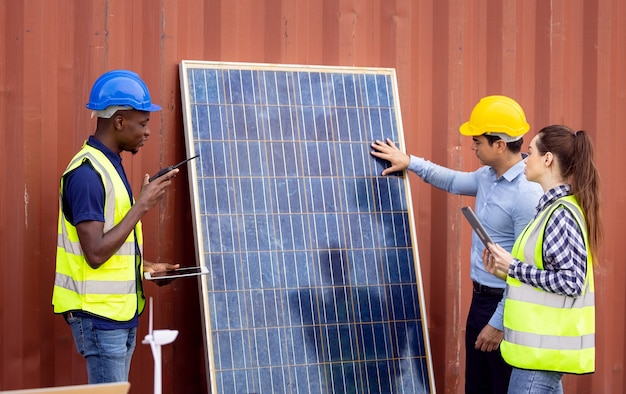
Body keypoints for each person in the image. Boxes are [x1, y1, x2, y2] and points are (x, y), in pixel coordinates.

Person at [371, 95, 543, 394]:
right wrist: (409, 162)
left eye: (478, 141)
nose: (473, 146)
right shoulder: (489, 176)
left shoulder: (526, 195)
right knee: (477, 386)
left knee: (502, 386)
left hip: (507, 306)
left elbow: (527, 270)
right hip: (481, 301)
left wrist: (499, 323)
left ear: (500, 144)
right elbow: (452, 180)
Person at [52, 69, 180, 384]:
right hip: (99, 318)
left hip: (118, 314)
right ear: (119, 121)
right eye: (143, 123)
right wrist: (143, 205)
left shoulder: (110, 165)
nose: (148, 132)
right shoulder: (86, 174)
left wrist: (145, 267)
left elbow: (112, 246)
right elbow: (95, 253)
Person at [483, 125, 601, 393]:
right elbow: (544, 275)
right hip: (539, 351)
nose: (526, 158)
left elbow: (571, 281)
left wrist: (514, 267)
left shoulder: (560, 213)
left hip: (542, 354)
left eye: (530, 152)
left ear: (547, 159)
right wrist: (505, 271)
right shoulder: (549, 209)